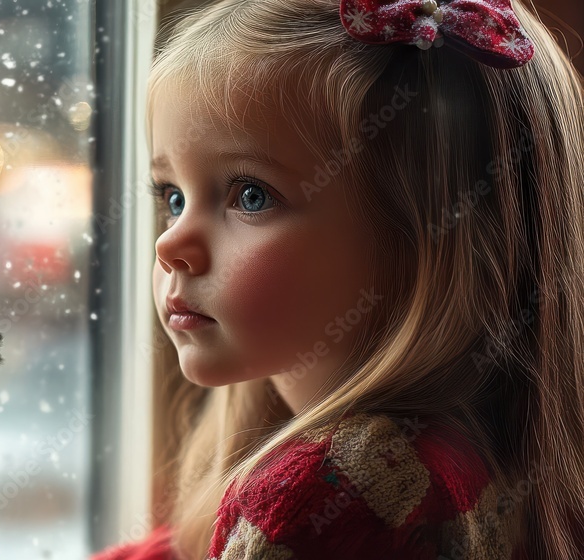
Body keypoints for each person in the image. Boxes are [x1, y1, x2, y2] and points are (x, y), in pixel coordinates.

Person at [90, 0, 584, 558]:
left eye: (250, 195)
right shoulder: (481, 457)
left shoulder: (333, 497)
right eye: (172, 197)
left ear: (420, 244)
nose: (169, 244)